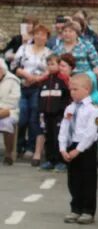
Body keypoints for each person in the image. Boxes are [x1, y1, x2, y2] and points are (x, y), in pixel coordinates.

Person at [59, 73, 98, 225]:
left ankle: (87, 211)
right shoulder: (70, 108)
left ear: (87, 89)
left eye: (76, 89)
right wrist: (63, 148)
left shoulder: (93, 110)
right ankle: (75, 208)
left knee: (88, 180)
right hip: (72, 145)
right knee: (73, 179)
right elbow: (64, 128)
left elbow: (91, 133)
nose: (72, 92)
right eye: (71, 89)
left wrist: (79, 149)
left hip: (85, 147)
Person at [11, 23, 50, 163]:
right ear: (33, 35)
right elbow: (14, 65)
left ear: (47, 38)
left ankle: (31, 147)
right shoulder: (24, 48)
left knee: (34, 117)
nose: (40, 37)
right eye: (37, 34)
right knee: (21, 116)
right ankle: (19, 145)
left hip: (38, 88)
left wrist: (36, 79)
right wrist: (24, 74)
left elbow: (49, 71)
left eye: (43, 34)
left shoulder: (48, 53)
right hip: (22, 86)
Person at [38, 53, 71, 172]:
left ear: (59, 65)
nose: (50, 66)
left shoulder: (63, 79)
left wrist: (64, 111)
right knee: (49, 137)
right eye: (48, 64)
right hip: (47, 115)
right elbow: (40, 96)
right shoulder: (45, 80)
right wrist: (41, 111)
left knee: (59, 137)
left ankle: (61, 161)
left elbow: (68, 96)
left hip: (59, 115)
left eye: (53, 64)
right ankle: (50, 160)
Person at [0, 59, 21, 166]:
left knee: (7, 123)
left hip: (9, 111)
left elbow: (14, 101)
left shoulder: (13, 80)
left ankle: (8, 153)